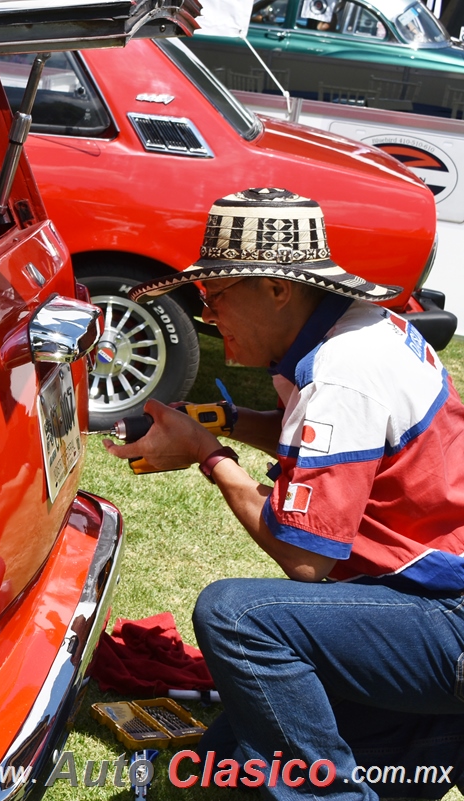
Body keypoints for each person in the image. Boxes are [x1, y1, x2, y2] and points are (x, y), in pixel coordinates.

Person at [106, 187, 464, 799]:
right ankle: (431, 740)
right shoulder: (361, 333)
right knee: (237, 763)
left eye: (214, 297)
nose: (207, 317)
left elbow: (305, 560)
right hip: (427, 614)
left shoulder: (343, 375)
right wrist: (219, 421)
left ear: (279, 289)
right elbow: (319, 438)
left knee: (236, 616)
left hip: (446, 622)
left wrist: (207, 455)